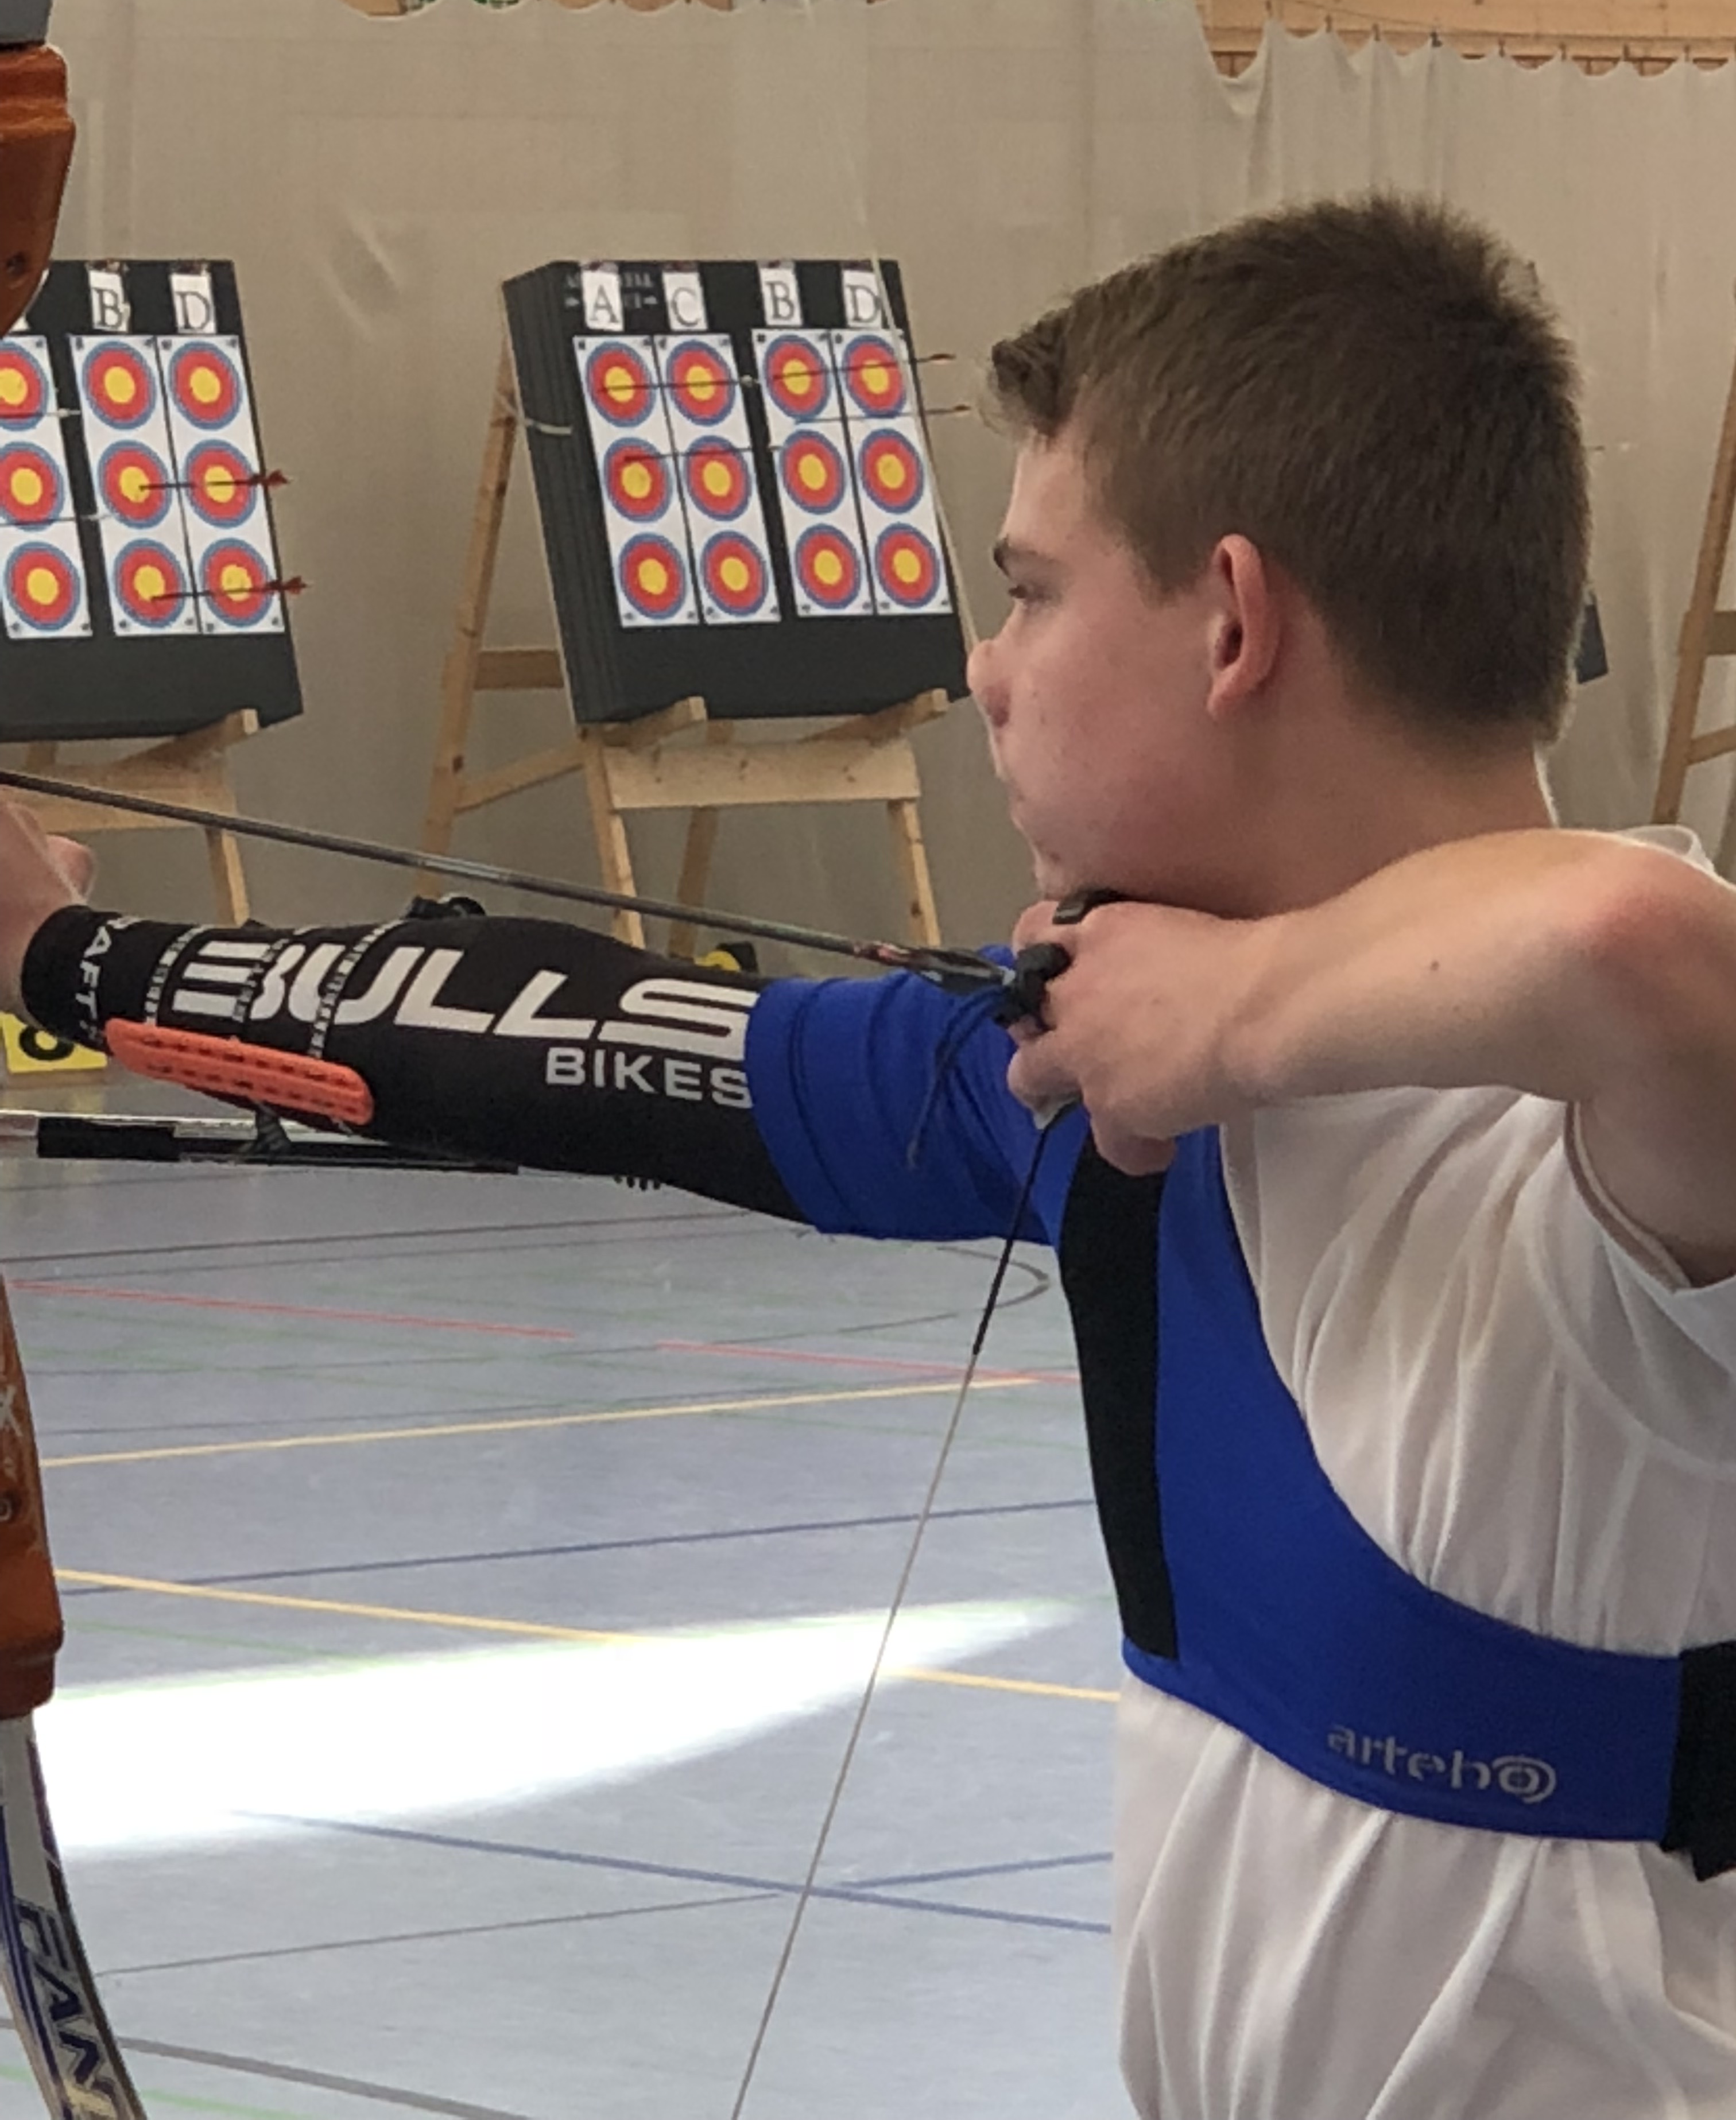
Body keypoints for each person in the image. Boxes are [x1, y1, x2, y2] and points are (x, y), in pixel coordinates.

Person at [3, 193, 1735, 2119]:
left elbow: (1636, 950)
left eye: (1034, 593)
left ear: (1235, 624)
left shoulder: (1605, 1154)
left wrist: (1234, 1013)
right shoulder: (1097, 1073)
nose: (987, 668)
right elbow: (575, 1042)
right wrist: (67, 955)